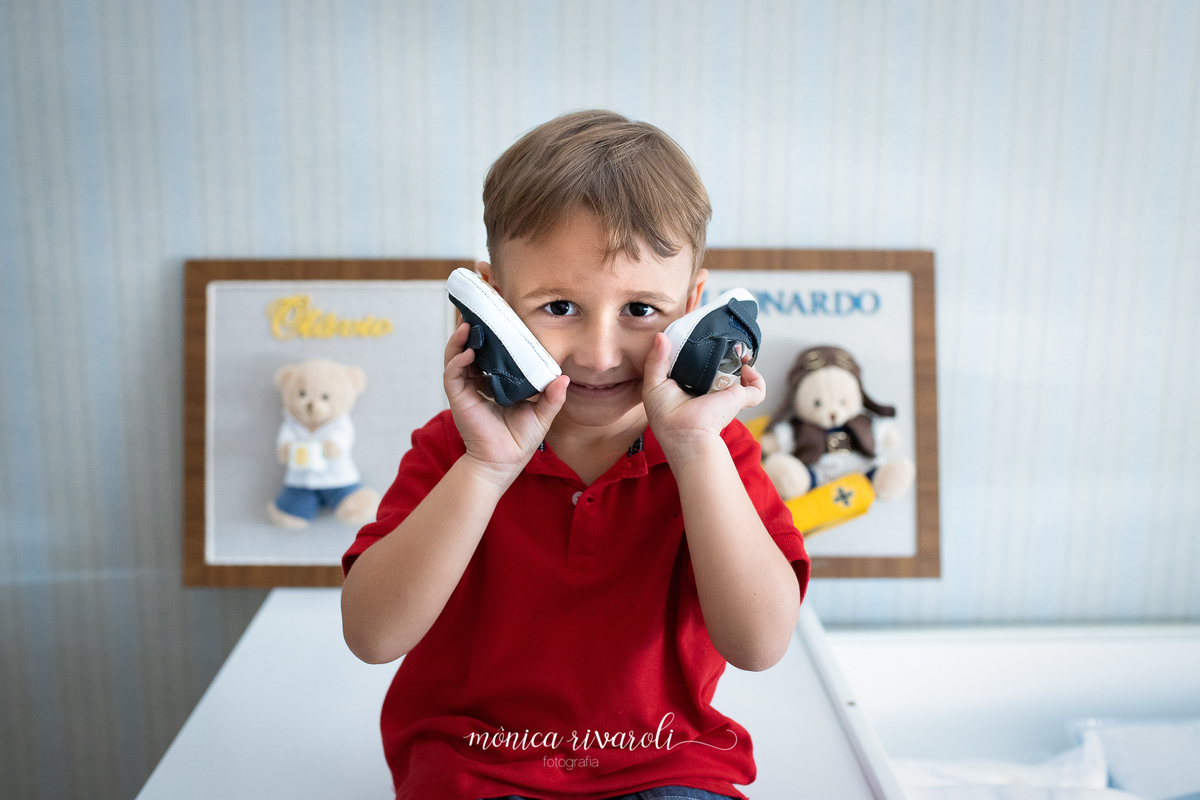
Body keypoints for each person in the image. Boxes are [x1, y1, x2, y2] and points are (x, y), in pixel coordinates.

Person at [340, 110, 810, 800]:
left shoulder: (716, 452)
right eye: (559, 305)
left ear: (693, 307)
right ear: (493, 302)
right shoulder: (455, 450)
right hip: (477, 765)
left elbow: (759, 645)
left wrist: (693, 450)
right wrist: (487, 468)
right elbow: (373, 637)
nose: (598, 353)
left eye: (641, 310)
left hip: (667, 761)